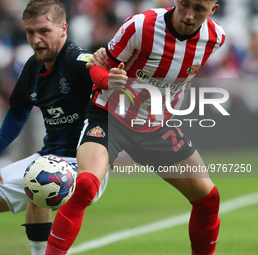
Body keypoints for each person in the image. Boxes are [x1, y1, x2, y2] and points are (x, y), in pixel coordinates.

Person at [45, 0, 225, 255]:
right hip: (109, 117)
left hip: (156, 127)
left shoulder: (216, 37)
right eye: (184, 4)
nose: (189, 15)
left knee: (209, 200)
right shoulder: (141, 26)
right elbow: (97, 65)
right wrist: (108, 79)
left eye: (199, 9)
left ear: (212, 11)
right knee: (85, 185)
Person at [0, 1, 108, 255]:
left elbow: (100, 76)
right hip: (49, 156)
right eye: (30, 32)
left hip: (85, 166)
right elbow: (18, 109)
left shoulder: (75, 60)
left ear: (63, 29)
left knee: (42, 178)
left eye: (43, 31)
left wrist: (105, 65)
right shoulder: (32, 67)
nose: (36, 40)